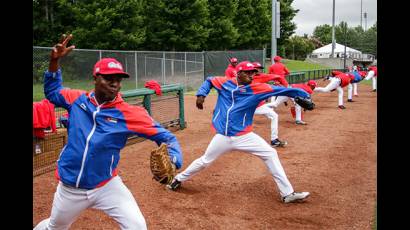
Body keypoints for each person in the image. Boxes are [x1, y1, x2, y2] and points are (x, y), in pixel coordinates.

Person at [34, 34, 183, 230]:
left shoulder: (129, 113)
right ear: (95, 78)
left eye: (118, 79)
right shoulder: (76, 100)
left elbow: (166, 137)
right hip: (70, 188)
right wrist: (54, 61)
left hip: (106, 185)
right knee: (55, 227)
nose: (115, 83)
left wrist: (173, 159)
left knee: (137, 226)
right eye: (108, 78)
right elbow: (53, 91)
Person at [166, 61, 311, 204]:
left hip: (245, 136)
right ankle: (178, 179)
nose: (252, 75)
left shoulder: (257, 88)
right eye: (248, 73)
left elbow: (284, 90)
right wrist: (201, 95)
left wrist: (304, 95)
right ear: (239, 73)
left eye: (253, 73)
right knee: (204, 161)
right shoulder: (225, 83)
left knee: (271, 154)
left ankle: (287, 194)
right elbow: (209, 80)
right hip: (223, 136)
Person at [252, 62, 288, 147]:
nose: (260, 70)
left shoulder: (251, 78)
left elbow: (276, 77)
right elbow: (277, 77)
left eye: (260, 68)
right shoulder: (258, 78)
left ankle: (274, 140)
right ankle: (274, 140)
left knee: (274, 115)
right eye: (258, 68)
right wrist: (286, 86)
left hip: (257, 105)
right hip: (253, 106)